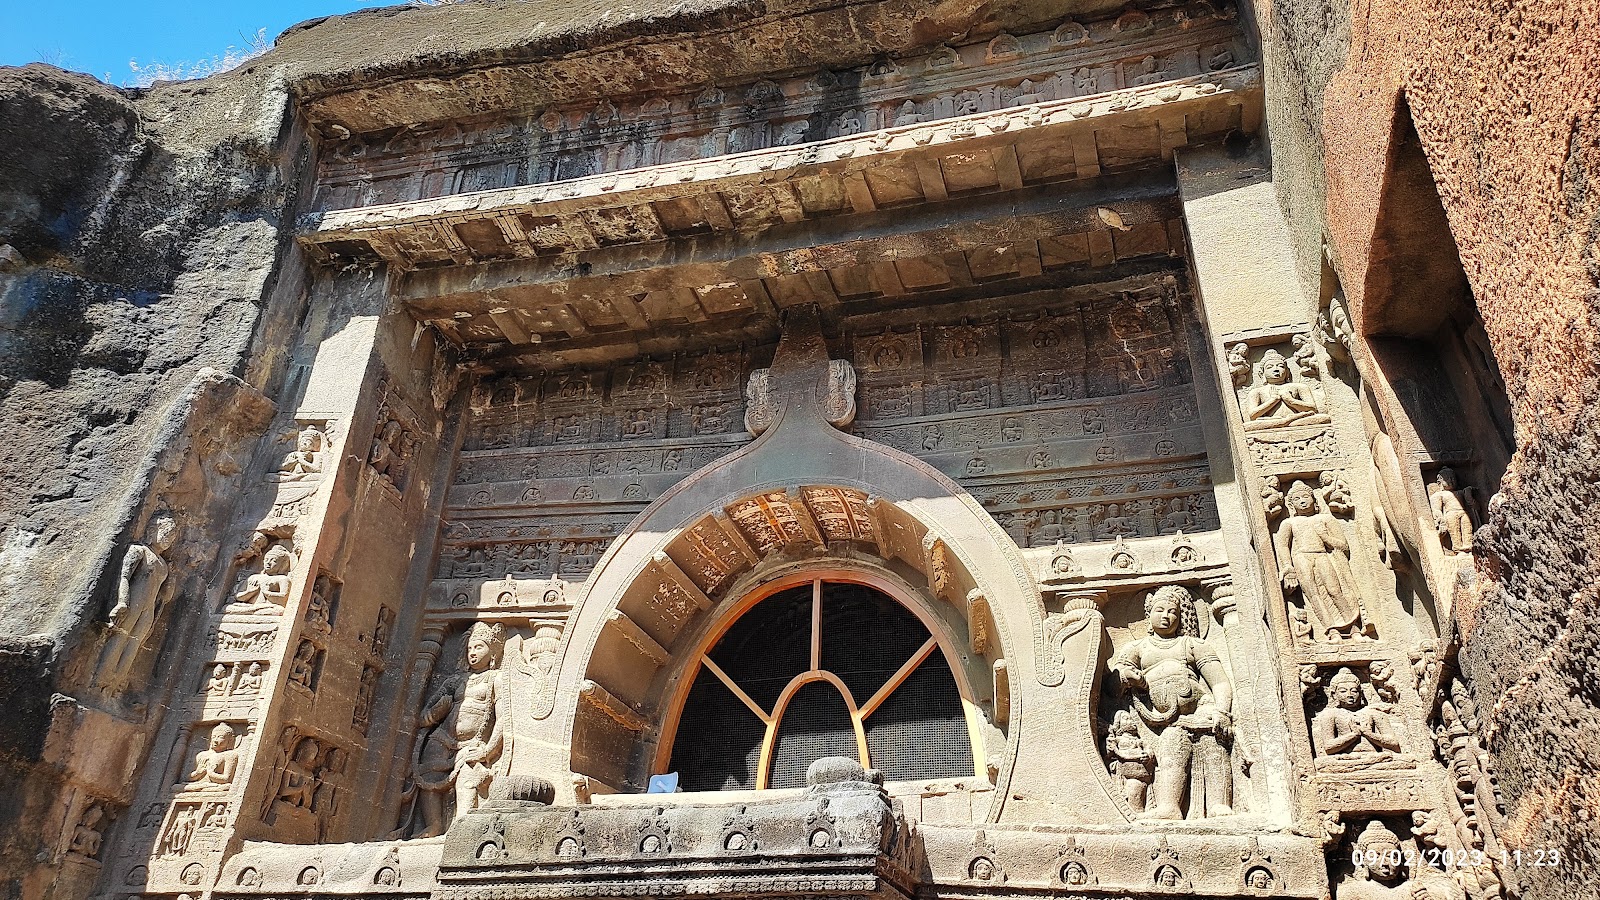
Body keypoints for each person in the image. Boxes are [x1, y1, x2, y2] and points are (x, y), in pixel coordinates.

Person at [1109, 585, 1233, 819]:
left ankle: (1219, 805)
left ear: (1181, 616)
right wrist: (1126, 678)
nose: (1166, 616)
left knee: (1212, 743)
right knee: (1172, 743)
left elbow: (1219, 682)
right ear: (1148, 615)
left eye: (1173, 612)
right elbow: (1112, 687)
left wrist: (1221, 711)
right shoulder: (1138, 648)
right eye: (1160, 610)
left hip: (1200, 708)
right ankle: (1169, 807)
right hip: (1160, 719)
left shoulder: (1193, 645)